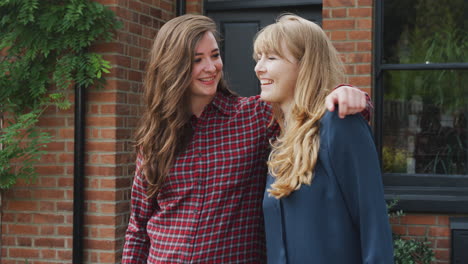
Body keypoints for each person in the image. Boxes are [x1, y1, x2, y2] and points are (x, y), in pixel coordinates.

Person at [122, 14, 370, 263]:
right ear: (171, 66)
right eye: (197, 60)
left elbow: (311, 110)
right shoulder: (155, 138)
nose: (211, 67)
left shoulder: (257, 116)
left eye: (215, 55)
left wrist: (347, 94)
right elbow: (138, 227)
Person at [255, 14, 394, 263]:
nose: (259, 68)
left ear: (305, 65)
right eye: (259, 58)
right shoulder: (279, 139)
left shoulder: (339, 123)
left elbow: (373, 227)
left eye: (271, 58)